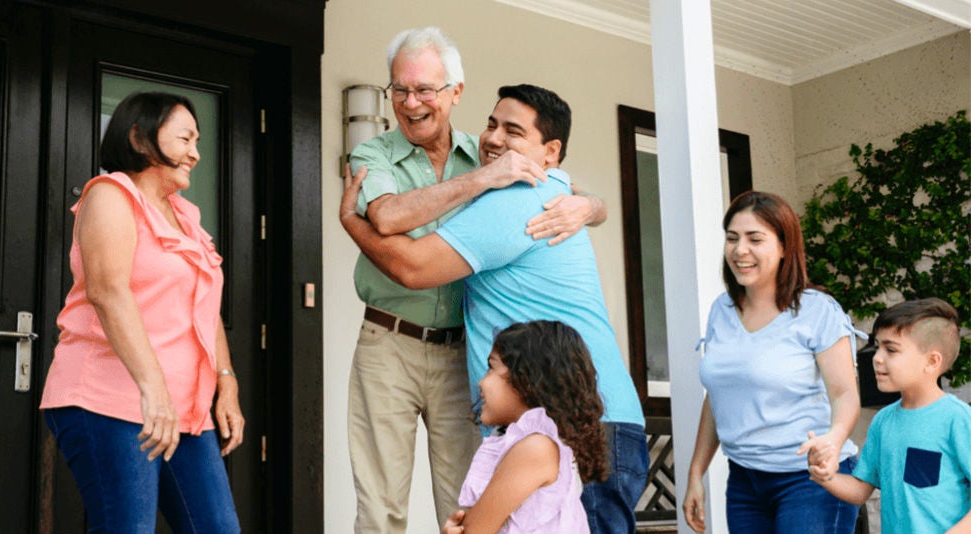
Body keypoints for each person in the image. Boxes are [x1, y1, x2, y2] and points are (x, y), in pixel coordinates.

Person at [341, 83, 648, 533]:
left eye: (513, 131)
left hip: (581, 425)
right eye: (491, 124)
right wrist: (594, 206)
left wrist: (351, 220)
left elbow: (411, 267)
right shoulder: (541, 189)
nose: (494, 138)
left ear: (551, 151)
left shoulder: (515, 201)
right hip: (583, 421)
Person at [40, 92, 243, 533]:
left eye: (197, 140)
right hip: (109, 399)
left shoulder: (187, 217)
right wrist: (154, 390)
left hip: (182, 410)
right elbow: (108, 292)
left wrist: (226, 383)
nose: (196, 152)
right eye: (185, 138)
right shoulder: (110, 195)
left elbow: (203, 306)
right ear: (139, 137)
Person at [683, 191, 862, 533]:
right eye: (732, 238)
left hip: (811, 479)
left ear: (784, 247)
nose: (740, 250)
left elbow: (845, 394)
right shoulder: (721, 311)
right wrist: (695, 473)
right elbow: (719, 397)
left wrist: (833, 440)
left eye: (755, 239)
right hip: (745, 480)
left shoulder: (817, 310)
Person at [805, 298, 971, 534]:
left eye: (891, 349)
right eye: (877, 346)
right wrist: (826, 475)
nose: (877, 357)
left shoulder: (957, 420)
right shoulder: (883, 421)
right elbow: (861, 488)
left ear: (932, 361)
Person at [440, 321, 607, 533]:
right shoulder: (539, 446)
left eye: (492, 368)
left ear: (526, 380)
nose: (481, 383)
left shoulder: (536, 448)